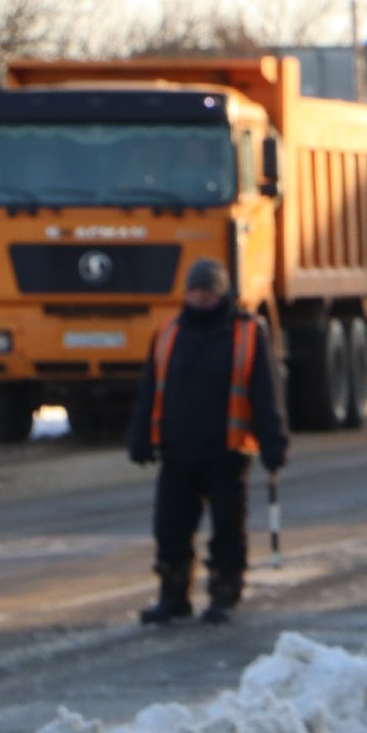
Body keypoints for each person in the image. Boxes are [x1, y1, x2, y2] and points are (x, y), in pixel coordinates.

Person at [126, 259, 289, 625]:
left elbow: (264, 394)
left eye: (208, 291)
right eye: (196, 291)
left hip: (226, 454)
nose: (201, 297)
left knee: (228, 530)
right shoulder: (168, 332)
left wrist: (273, 443)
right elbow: (150, 389)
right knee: (170, 528)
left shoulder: (246, 333)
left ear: (221, 293)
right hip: (177, 451)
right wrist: (139, 438)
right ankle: (173, 595)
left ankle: (224, 593)